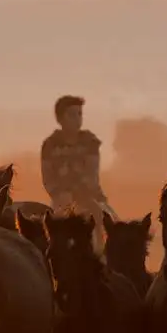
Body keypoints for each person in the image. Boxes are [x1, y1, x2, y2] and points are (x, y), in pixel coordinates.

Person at [40, 95, 115, 250]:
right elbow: (47, 177)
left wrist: (83, 194)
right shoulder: (50, 145)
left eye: (80, 114)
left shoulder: (90, 141)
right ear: (60, 118)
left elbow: (92, 174)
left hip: (90, 196)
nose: (78, 119)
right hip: (62, 198)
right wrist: (59, 193)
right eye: (72, 115)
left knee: (114, 227)